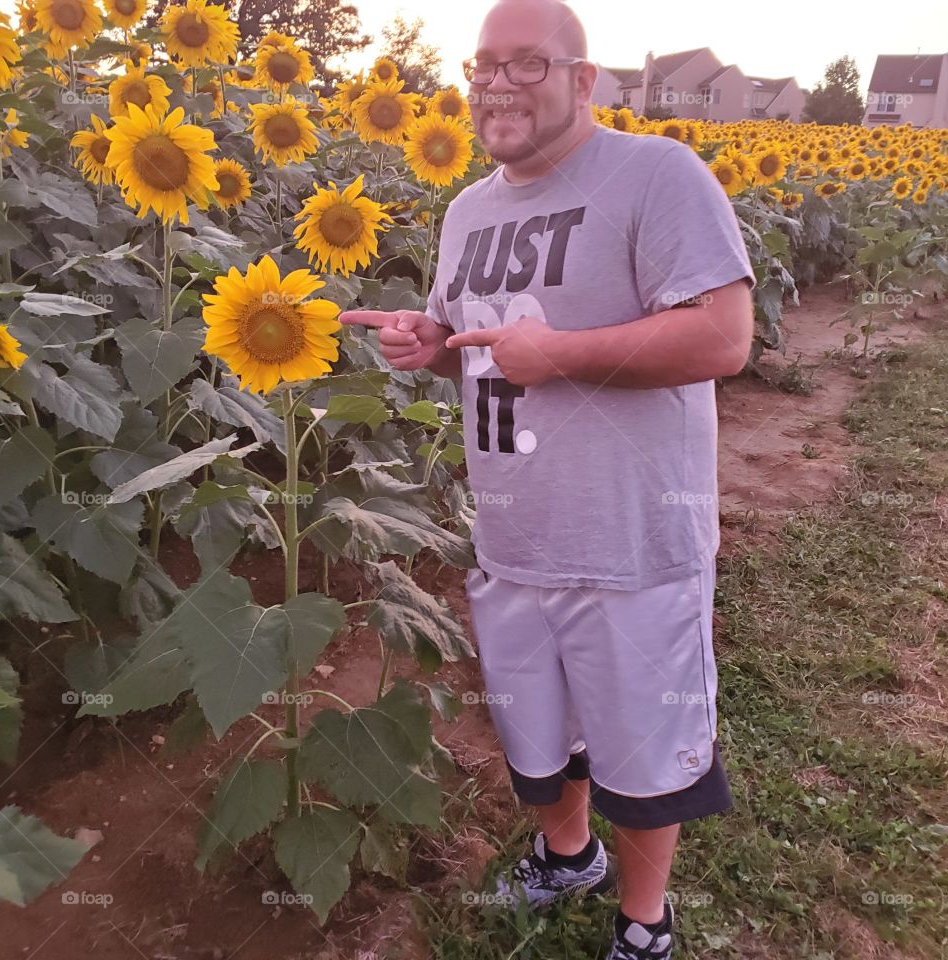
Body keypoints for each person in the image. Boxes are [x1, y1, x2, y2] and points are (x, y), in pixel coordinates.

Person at [340, 1, 755, 956]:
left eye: (528, 63)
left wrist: (560, 353)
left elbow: (722, 337)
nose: (498, 84)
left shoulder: (656, 175)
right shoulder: (468, 210)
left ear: (583, 80)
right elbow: (477, 345)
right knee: (539, 734)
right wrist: (429, 344)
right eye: (485, 65)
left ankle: (646, 921)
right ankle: (569, 856)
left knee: (643, 754)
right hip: (513, 533)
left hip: (630, 536)